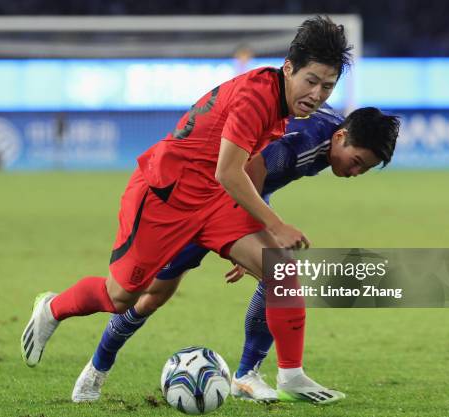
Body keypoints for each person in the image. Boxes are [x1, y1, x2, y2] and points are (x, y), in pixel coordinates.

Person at [21, 16, 356, 403]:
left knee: (280, 269)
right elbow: (228, 171)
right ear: (288, 68)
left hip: (214, 202)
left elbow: (233, 176)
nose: (316, 94)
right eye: (310, 81)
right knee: (121, 297)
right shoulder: (256, 97)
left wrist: (256, 233)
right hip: (166, 197)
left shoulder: (283, 103)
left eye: (327, 86)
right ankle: (52, 308)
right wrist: (274, 224)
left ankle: (291, 376)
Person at [70, 106, 400, 403]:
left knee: (278, 271)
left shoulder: (326, 134)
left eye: (364, 169)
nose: (356, 172)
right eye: (357, 162)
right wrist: (243, 235)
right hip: (193, 203)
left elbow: (258, 180)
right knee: (147, 297)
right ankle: (96, 368)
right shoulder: (303, 142)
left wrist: (249, 239)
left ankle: (247, 375)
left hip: (225, 203)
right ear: (340, 136)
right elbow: (249, 169)